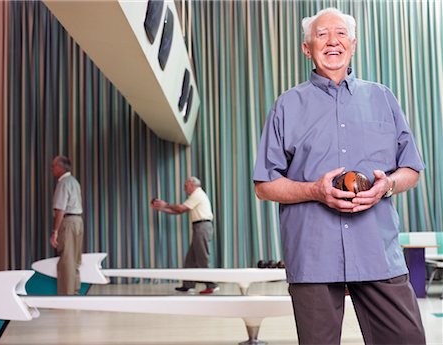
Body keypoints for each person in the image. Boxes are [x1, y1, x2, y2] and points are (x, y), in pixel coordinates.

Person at [253, 8, 426, 345]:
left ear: (354, 44)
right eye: (321, 35)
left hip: (377, 249)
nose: (332, 41)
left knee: (407, 340)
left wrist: (387, 185)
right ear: (307, 49)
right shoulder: (286, 105)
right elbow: (265, 185)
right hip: (313, 254)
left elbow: (411, 170)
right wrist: (314, 191)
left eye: (340, 33)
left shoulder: (383, 97)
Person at [151, 176, 218, 294]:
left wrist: (165, 204)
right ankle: (188, 285)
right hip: (199, 227)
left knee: (203, 258)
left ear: (193, 185)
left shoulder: (198, 194)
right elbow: (178, 211)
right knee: (190, 260)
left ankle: (212, 285)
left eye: (186, 186)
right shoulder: (195, 196)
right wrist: (162, 208)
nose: (184, 189)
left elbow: (181, 209)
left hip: (202, 226)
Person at [50, 156, 83, 295]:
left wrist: (55, 231)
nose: (51, 169)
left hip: (68, 222)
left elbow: (60, 209)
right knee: (75, 258)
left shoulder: (63, 183)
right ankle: (74, 290)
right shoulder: (74, 182)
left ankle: (66, 295)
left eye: (53, 166)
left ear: (61, 167)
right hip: (78, 221)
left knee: (67, 259)